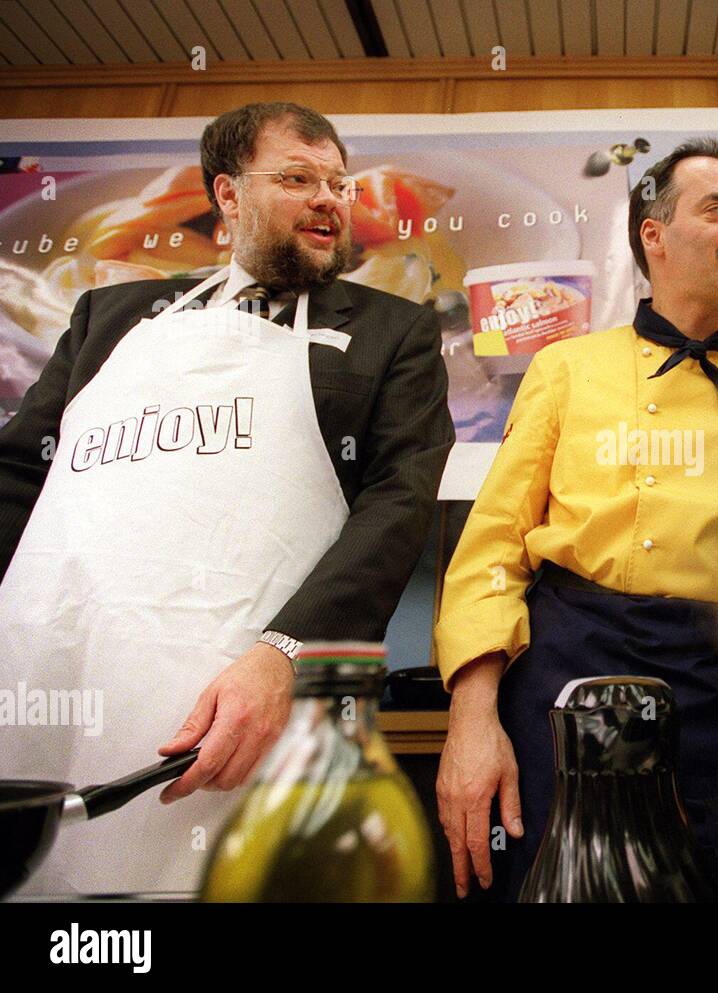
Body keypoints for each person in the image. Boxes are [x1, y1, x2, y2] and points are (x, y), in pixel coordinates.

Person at [0, 102, 454, 893]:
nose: (330, 198)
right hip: (61, 677)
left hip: (252, 694)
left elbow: (399, 500)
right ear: (228, 194)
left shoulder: (395, 332)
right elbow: (17, 474)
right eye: (297, 178)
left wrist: (287, 657)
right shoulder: (109, 317)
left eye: (339, 182)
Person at [434, 138, 718, 900]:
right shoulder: (566, 367)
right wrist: (470, 718)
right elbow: (494, 548)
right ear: (654, 234)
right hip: (573, 670)